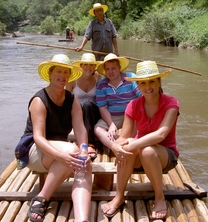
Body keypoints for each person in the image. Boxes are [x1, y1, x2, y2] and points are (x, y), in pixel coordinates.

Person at [100, 61, 179, 221]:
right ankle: (119, 196)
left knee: (147, 150)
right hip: (139, 154)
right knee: (126, 148)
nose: (147, 86)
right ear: (138, 85)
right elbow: (124, 136)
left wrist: (133, 143)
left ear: (159, 82)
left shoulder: (171, 103)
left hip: (164, 155)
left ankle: (159, 198)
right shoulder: (133, 105)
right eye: (143, 82)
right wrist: (117, 146)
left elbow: (161, 135)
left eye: (152, 81)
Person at [20, 54, 92, 222]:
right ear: (50, 74)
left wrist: (84, 150)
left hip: (59, 147)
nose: (63, 76)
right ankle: (42, 197)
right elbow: (38, 138)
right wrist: (61, 156)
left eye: (66, 72)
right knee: (71, 153)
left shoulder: (72, 99)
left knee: (83, 163)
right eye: (58, 71)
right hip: (35, 149)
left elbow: (80, 128)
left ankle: (82, 219)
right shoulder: (39, 100)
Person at [94, 53, 141, 151]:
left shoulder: (131, 78)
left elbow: (141, 97)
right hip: (112, 116)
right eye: (107, 69)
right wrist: (111, 124)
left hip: (131, 115)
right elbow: (103, 107)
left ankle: (127, 144)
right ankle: (115, 147)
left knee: (138, 119)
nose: (111, 72)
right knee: (98, 129)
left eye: (113, 68)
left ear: (119, 68)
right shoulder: (101, 85)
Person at [65, 53, 102, 157]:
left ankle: (90, 144)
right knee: (81, 107)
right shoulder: (72, 80)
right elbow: (66, 100)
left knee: (87, 105)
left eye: (91, 65)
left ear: (95, 67)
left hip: (93, 111)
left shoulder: (98, 78)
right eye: (85, 65)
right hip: (77, 113)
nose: (88, 68)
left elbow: (113, 76)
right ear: (81, 66)